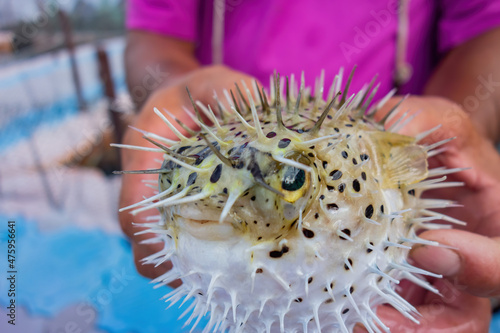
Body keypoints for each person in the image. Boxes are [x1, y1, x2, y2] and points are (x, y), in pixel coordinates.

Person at [120, 1, 500, 331]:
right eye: (173, 179)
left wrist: (450, 129)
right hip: (222, 123)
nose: (211, 208)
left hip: (388, 132)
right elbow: (152, 36)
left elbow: (488, 29)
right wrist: (177, 86)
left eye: (291, 181)